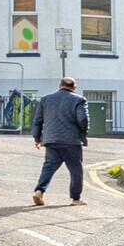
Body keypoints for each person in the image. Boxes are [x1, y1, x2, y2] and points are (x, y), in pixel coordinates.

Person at [32, 76, 90, 206]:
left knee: (48, 167)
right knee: (76, 170)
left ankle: (39, 191)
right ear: (74, 88)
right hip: (71, 141)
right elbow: (83, 119)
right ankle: (75, 199)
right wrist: (83, 133)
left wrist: (37, 138)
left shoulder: (46, 99)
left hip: (51, 140)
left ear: (60, 85)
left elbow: (38, 120)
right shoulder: (79, 100)